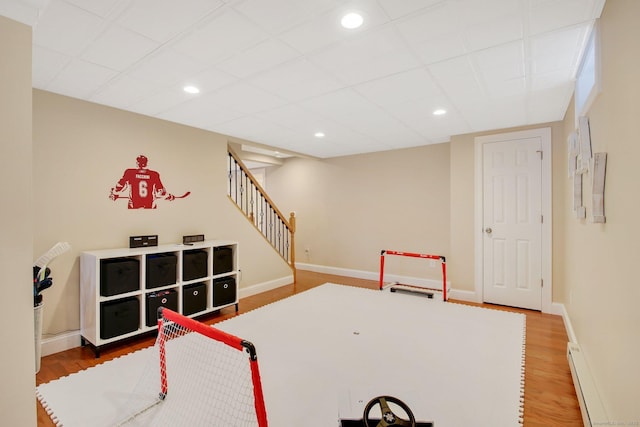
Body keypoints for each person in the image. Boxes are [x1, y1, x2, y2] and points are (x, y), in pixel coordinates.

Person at [109, 155, 175, 209]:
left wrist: (114, 193)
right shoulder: (154, 174)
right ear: (146, 163)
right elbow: (161, 192)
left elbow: (120, 186)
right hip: (150, 206)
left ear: (137, 163)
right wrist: (169, 196)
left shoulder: (130, 172)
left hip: (133, 206)